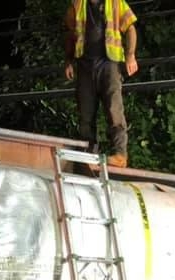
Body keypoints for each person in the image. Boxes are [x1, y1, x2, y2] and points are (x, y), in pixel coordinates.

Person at [64, 0, 138, 168]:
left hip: (109, 64)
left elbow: (131, 28)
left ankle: (120, 154)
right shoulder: (77, 5)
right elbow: (69, 33)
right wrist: (68, 61)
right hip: (85, 64)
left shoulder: (116, 3)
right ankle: (88, 154)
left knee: (114, 109)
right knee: (86, 113)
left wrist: (131, 55)